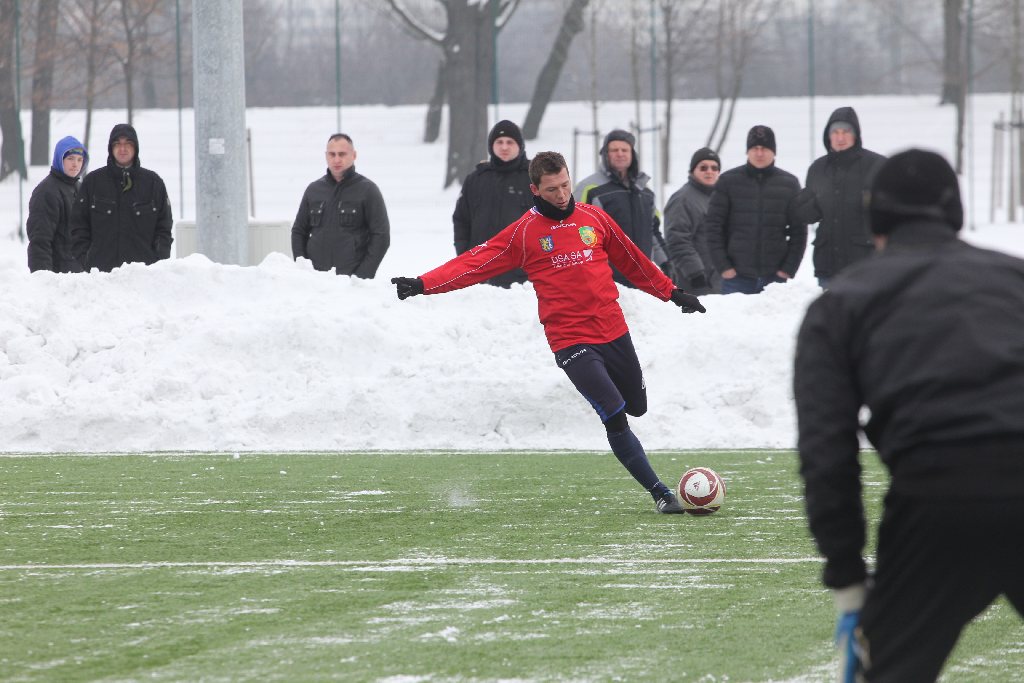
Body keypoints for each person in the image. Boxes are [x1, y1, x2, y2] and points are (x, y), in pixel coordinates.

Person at [793, 149, 1024, 682]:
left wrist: (847, 574)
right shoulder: (1014, 278)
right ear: (955, 212)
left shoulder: (842, 302)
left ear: (875, 218)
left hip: (938, 497)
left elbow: (827, 449)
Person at [391, 151, 706, 514]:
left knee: (637, 406)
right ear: (535, 190)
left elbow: (633, 260)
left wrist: (673, 293)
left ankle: (641, 452)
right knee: (614, 412)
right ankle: (661, 493)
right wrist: (423, 284)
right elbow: (474, 262)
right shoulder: (524, 233)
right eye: (552, 189)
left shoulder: (594, 218)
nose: (561, 194)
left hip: (613, 329)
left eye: (565, 185)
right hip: (570, 339)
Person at [704, 125, 807, 295]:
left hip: (775, 279)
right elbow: (713, 226)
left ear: (774, 152)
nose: (759, 153)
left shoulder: (790, 184)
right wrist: (724, 267)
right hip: (736, 278)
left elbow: (799, 231)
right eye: (755, 148)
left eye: (764, 148)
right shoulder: (728, 181)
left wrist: (788, 269)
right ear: (748, 151)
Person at [795, 106, 886, 289]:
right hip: (828, 266)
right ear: (828, 136)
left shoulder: (876, 165)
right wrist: (804, 202)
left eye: (846, 132)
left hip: (866, 264)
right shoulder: (818, 168)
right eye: (835, 132)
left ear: (856, 135)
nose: (840, 138)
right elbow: (808, 215)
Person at [70, 123, 173, 272]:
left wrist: (158, 259)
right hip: (101, 276)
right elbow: (78, 226)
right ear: (110, 148)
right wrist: (86, 259)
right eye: (117, 144)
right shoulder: (93, 182)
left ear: (136, 147)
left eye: (128, 144)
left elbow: (164, 227)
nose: (122, 149)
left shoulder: (153, 183)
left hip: (144, 275)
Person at [574, 129, 668, 286]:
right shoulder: (588, 188)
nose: (620, 154)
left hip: (643, 279)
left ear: (632, 155)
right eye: (614, 150)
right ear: (606, 154)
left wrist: (666, 263)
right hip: (607, 280)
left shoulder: (645, 191)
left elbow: (653, 231)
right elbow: (577, 233)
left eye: (625, 150)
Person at [291, 133, 390, 277]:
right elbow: (299, 231)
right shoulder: (314, 190)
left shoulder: (368, 190)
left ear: (354, 155)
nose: (336, 159)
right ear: (326, 156)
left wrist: (362, 276)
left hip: (350, 280)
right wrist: (304, 269)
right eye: (332, 154)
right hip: (315, 280)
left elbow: (381, 236)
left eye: (342, 154)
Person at [452, 120, 532, 288]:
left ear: (520, 145)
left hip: (523, 280)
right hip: (481, 276)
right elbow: (461, 220)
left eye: (510, 142)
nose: (504, 147)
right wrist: (465, 257)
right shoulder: (476, 179)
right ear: (491, 146)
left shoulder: (535, 178)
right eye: (499, 142)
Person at [663, 147, 722, 294]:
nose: (709, 171)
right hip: (695, 282)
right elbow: (677, 240)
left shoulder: (719, 198)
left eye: (714, 168)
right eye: (703, 167)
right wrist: (695, 273)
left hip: (719, 281)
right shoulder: (682, 199)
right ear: (692, 171)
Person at [27, 136, 88, 273]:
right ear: (60, 159)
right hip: (57, 276)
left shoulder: (80, 189)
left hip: (80, 276)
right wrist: (43, 277)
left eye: (79, 160)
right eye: (70, 158)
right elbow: (40, 240)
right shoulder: (46, 192)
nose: (75, 164)